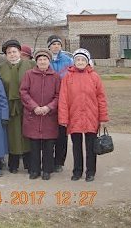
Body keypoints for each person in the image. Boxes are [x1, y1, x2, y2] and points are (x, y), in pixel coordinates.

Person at [58, 49, 109, 182]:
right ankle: (77, 171)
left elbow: (101, 98)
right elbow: (63, 99)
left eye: (83, 60)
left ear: (87, 62)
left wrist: (103, 117)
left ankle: (90, 172)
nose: (80, 62)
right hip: (74, 117)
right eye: (78, 60)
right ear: (74, 62)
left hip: (91, 117)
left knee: (91, 146)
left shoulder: (94, 77)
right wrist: (63, 118)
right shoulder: (67, 77)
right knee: (76, 146)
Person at [20, 49, 60, 180]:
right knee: (34, 144)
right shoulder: (29, 74)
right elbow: (24, 92)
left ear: (49, 61)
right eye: (40, 59)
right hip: (33, 115)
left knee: (49, 145)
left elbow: (58, 95)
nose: (43, 62)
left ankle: (47, 170)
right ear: (36, 61)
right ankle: (34, 169)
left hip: (49, 116)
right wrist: (34, 107)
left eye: (45, 59)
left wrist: (49, 107)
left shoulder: (55, 76)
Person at [0, 39, 34, 173]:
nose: (12, 54)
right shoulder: (1, 67)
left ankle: (29, 163)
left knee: (27, 134)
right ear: (6, 55)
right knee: (12, 134)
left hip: (26, 105)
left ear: (19, 52)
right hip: (9, 105)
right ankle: (13, 163)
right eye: (9, 53)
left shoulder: (30, 64)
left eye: (14, 52)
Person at [47, 35, 73, 173]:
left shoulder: (69, 61)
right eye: (53, 44)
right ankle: (48, 160)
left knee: (62, 133)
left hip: (64, 101)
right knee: (49, 133)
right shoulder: (45, 59)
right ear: (49, 46)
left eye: (58, 44)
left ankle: (59, 162)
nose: (56, 46)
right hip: (48, 100)